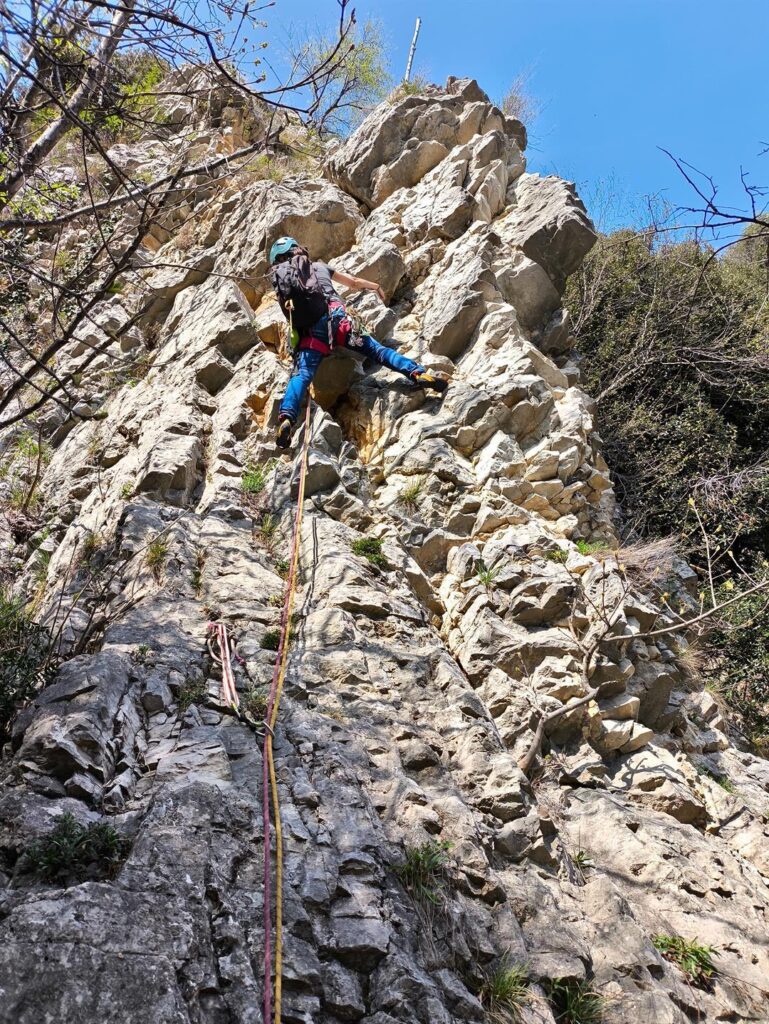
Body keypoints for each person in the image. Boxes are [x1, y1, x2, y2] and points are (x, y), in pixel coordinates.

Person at [268, 236, 447, 449]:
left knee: (302, 374)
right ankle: (417, 373)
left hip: (311, 335)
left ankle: (287, 416)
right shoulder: (319, 266)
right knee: (378, 351)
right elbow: (353, 283)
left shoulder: (284, 280)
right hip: (340, 320)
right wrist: (375, 286)